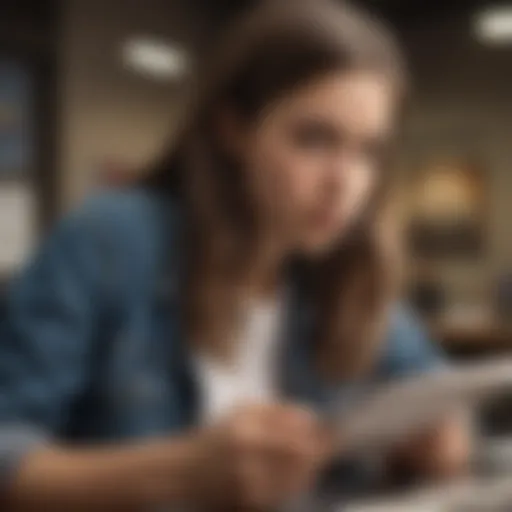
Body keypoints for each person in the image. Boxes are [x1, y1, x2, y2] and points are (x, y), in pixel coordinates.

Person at [0, 0, 470, 510]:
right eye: (315, 139)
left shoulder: (345, 270)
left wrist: (438, 444)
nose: (345, 184)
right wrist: (182, 472)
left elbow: (439, 394)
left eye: (368, 152)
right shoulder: (110, 241)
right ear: (231, 129)